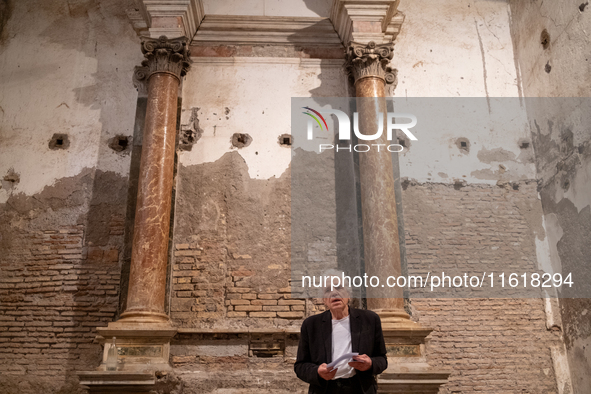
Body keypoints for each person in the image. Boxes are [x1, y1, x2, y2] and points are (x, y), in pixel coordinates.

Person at [294, 286, 388, 394]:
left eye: (339, 288)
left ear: (348, 295)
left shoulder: (370, 320)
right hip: (325, 389)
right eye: (328, 290)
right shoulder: (311, 325)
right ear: (324, 300)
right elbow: (300, 366)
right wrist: (317, 372)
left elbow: (382, 359)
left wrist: (370, 364)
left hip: (360, 388)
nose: (334, 293)